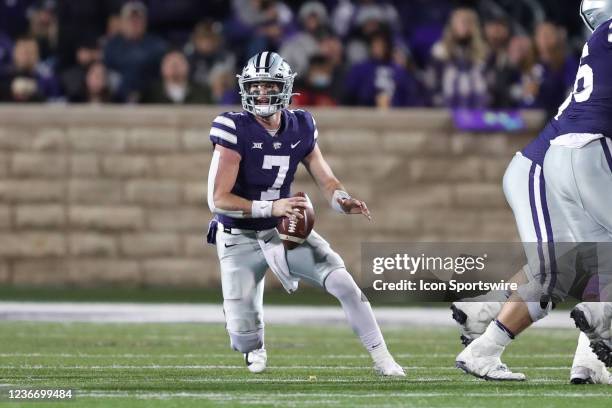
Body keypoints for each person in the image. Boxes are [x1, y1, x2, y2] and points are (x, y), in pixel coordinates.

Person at [206, 51, 404, 376]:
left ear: (285, 87)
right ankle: (252, 337)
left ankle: (384, 359)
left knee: (344, 283)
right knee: (243, 340)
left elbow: (324, 177)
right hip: (239, 237)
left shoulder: (301, 124)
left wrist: (342, 199)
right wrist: (273, 206)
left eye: (268, 85)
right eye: (255, 87)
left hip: (283, 231)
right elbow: (219, 200)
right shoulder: (233, 127)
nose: (261, 93)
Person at [454, 0, 612, 382]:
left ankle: (589, 362)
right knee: (559, 272)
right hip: (547, 166)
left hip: (559, 159)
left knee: (585, 262)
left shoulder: (599, 44)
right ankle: (489, 322)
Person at [425, 8, 490, 108]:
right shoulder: (440, 50)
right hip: (449, 103)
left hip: (477, 102)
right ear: (452, 25)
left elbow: (488, 79)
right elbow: (432, 79)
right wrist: (436, 100)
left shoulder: (483, 51)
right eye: (461, 22)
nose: (465, 26)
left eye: (469, 22)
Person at [103, 1, 166, 102]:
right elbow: (108, 72)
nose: (134, 23)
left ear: (145, 22)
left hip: (150, 98)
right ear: (122, 22)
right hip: (117, 97)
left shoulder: (157, 45)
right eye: (130, 19)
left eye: (138, 20)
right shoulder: (112, 45)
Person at [141, 50, 211, 104]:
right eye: (170, 63)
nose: (175, 66)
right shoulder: (150, 94)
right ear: (162, 68)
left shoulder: (202, 91)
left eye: (179, 62)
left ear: (188, 66)